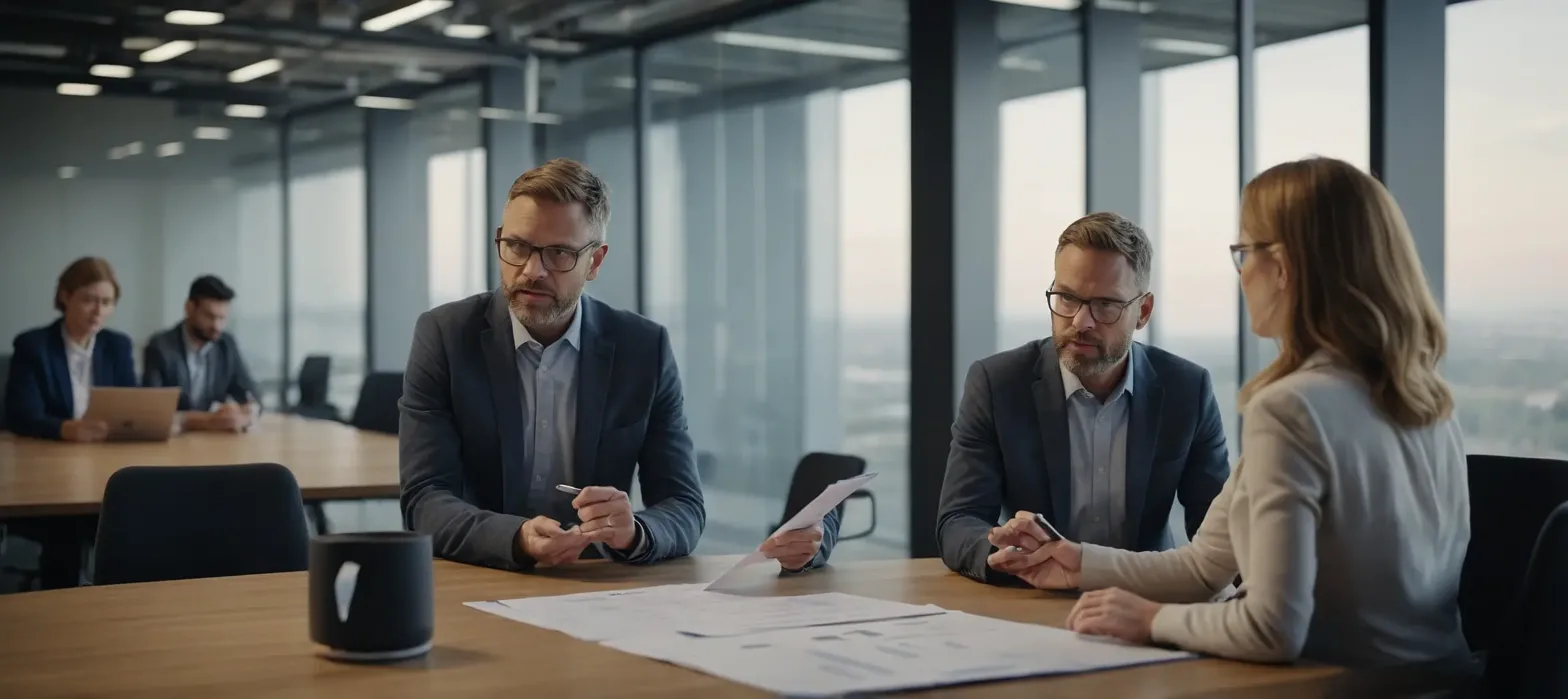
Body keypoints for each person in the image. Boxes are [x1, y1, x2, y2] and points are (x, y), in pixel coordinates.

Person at [991, 157, 1472, 668]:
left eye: (1244, 252)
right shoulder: (1427, 399)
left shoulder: (1292, 409)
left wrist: (1149, 620)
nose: (1241, 276)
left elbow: (1270, 629)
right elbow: (1205, 567)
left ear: (1283, 268)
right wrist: (1077, 561)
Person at [401, 158, 817, 572]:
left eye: (560, 253)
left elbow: (684, 506)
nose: (532, 270)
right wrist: (517, 538)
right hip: (483, 576)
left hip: (599, 583)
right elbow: (424, 500)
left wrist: (635, 532)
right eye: (517, 246)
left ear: (595, 262)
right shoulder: (446, 336)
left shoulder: (643, 349)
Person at [937, 212, 1229, 587]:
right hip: (1033, 598)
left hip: (1141, 597)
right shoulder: (998, 384)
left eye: (1105, 305)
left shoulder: (1187, 390)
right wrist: (1001, 551)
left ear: (1142, 312)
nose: (1080, 322)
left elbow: (1221, 532)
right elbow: (958, 520)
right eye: (1067, 298)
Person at [5, 256, 137, 442]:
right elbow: (20, 417)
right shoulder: (33, 346)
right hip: (48, 452)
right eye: (89, 300)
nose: (98, 311)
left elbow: (133, 409)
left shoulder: (118, 346)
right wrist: (63, 429)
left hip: (107, 449)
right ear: (65, 296)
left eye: (107, 302)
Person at [142, 275, 261, 432]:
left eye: (222, 318)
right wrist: (207, 421)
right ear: (189, 308)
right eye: (210, 316)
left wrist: (243, 413)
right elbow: (152, 412)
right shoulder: (160, 347)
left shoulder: (226, 345)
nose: (217, 326)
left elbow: (251, 395)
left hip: (213, 442)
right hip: (172, 442)